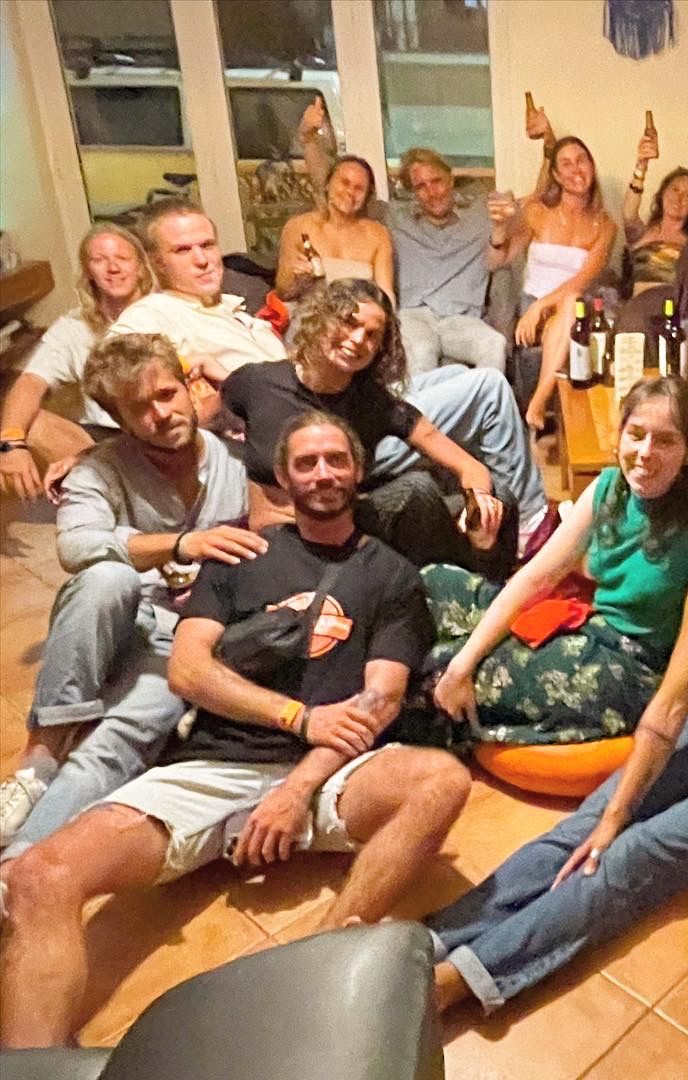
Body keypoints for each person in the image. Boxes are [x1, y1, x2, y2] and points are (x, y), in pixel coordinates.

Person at [0, 411, 471, 1049]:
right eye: (307, 462)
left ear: (358, 471)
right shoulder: (238, 552)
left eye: (337, 459)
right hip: (213, 766)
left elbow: (379, 701)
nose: (324, 473)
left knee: (440, 780)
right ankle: (33, 1067)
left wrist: (296, 789)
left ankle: (319, 964)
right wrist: (295, 717)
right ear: (282, 477)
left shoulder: (390, 575)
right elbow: (188, 671)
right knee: (38, 877)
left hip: (328, 773)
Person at [426, 439, 688, 1015]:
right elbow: (668, 706)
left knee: (637, 854)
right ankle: (431, 942)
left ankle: (467, 977)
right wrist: (612, 813)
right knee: (590, 824)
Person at [0, 333, 253, 854]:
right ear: (119, 418)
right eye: (139, 408)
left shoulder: (234, 461)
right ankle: (39, 760)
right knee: (105, 577)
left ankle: (15, 865)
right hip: (120, 614)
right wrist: (181, 544)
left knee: (129, 731)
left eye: (166, 394)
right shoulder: (98, 468)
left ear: (188, 388)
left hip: (181, 636)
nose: (160, 414)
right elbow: (76, 546)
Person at [429, 376, 688, 747]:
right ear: (620, 435)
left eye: (665, 440)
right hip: (584, 621)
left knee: (465, 665)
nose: (645, 451)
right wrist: (462, 663)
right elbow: (536, 578)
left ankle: (423, 695)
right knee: (434, 583)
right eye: (637, 434)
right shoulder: (608, 487)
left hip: (623, 670)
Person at [220, 278, 543, 571]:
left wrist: (479, 501)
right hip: (288, 538)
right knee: (415, 491)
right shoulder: (258, 381)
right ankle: (455, 589)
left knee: (502, 497)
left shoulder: (370, 401)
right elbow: (204, 413)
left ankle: (489, 589)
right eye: (348, 323)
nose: (357, 339)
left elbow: (466, 465)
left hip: (347, 518)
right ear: (320, 319)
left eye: (372, 335)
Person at [0, 224, 154, 501]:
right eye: (100, 260)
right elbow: (30, 382)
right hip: (103, 441)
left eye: (122, 258)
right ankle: (112, 496)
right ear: (88, 273)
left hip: (158, 430)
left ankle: (107, 497)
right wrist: (10, 444)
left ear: (141, 267)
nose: (113, 268)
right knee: (28, 423)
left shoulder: (168, 313)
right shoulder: (73, 327)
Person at [490, 116, 617, 430]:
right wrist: (498, 228)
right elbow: (497, 259)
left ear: (592, 165)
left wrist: (540, 307)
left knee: (573, 299)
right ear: (557, 175)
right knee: (569, 304)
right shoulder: (537, 213)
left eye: (582, 161)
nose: (576, 170)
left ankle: (538, 402)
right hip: (534, 303)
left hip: (573, 310)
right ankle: (541, 408)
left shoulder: (606, 225)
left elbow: (582, 279)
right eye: (566, 164)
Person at [107, 201, 288, 379]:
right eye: (182, 250)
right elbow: (107, 372)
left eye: (207, 245)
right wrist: (189, 369)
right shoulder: (154, 312)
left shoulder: (234, 307)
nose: (202, 260)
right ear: (156, 262)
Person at [389, 148, 510, 375]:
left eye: (436, 181)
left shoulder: (482, 214)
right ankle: (425, 411)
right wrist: (309, 139)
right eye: (420, 186)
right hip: (415, 315)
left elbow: (542, 199)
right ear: (412, 192)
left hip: (461, 319)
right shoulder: (395, 218)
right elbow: (332, 192)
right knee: (421, 352)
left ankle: (485, 409)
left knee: (495, 344)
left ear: (451, 179)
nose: (432, 192)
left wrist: (548, 144)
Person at [618, 123, 688, 335]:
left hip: (676, 310)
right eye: (674, 189)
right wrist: (642, 164)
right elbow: (629, 213)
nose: (679, 197)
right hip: (640, 309)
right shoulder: (644, 234)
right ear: (662, 194)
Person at [275, 154, 394, 301]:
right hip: (310, 314)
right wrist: (297, 280)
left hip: (359, 316)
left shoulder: (378, 234)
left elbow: (386, 293)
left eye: (359, 188)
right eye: (344, 183)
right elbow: (283, 291)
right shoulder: (298, 227)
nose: (350, 192)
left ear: (367, 196)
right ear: (327, 184)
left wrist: (387, 319)